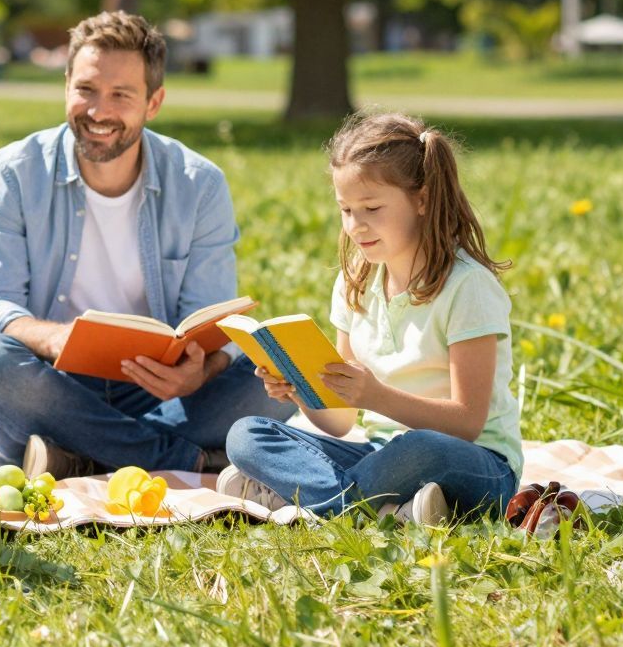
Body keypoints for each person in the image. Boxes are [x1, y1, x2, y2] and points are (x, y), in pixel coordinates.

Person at [0, 12, 289, 476]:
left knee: (275, 370)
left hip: (158, 389)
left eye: (121, 95)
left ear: (154, 102)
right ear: (66, 85)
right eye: (86, 90)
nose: (99, 112)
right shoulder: (11, 174)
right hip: (52, 384)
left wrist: (200, 371)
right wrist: (54, 338)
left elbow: (214, 315)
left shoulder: (199, 184)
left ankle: (79, 455)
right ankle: (183, 460)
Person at [218, 112, 522, 524]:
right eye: (345, 209)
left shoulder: (468, 287)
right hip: (380, 457)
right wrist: (298, 389)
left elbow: (467, 422)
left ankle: (308, 501)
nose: (356, 225)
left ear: (422, 199)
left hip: (473, 462)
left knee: (418, 449)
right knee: (247, 436)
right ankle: (391, 509)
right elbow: (341, 422)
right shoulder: (355, 282)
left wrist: (377, 396)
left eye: (372, 207)